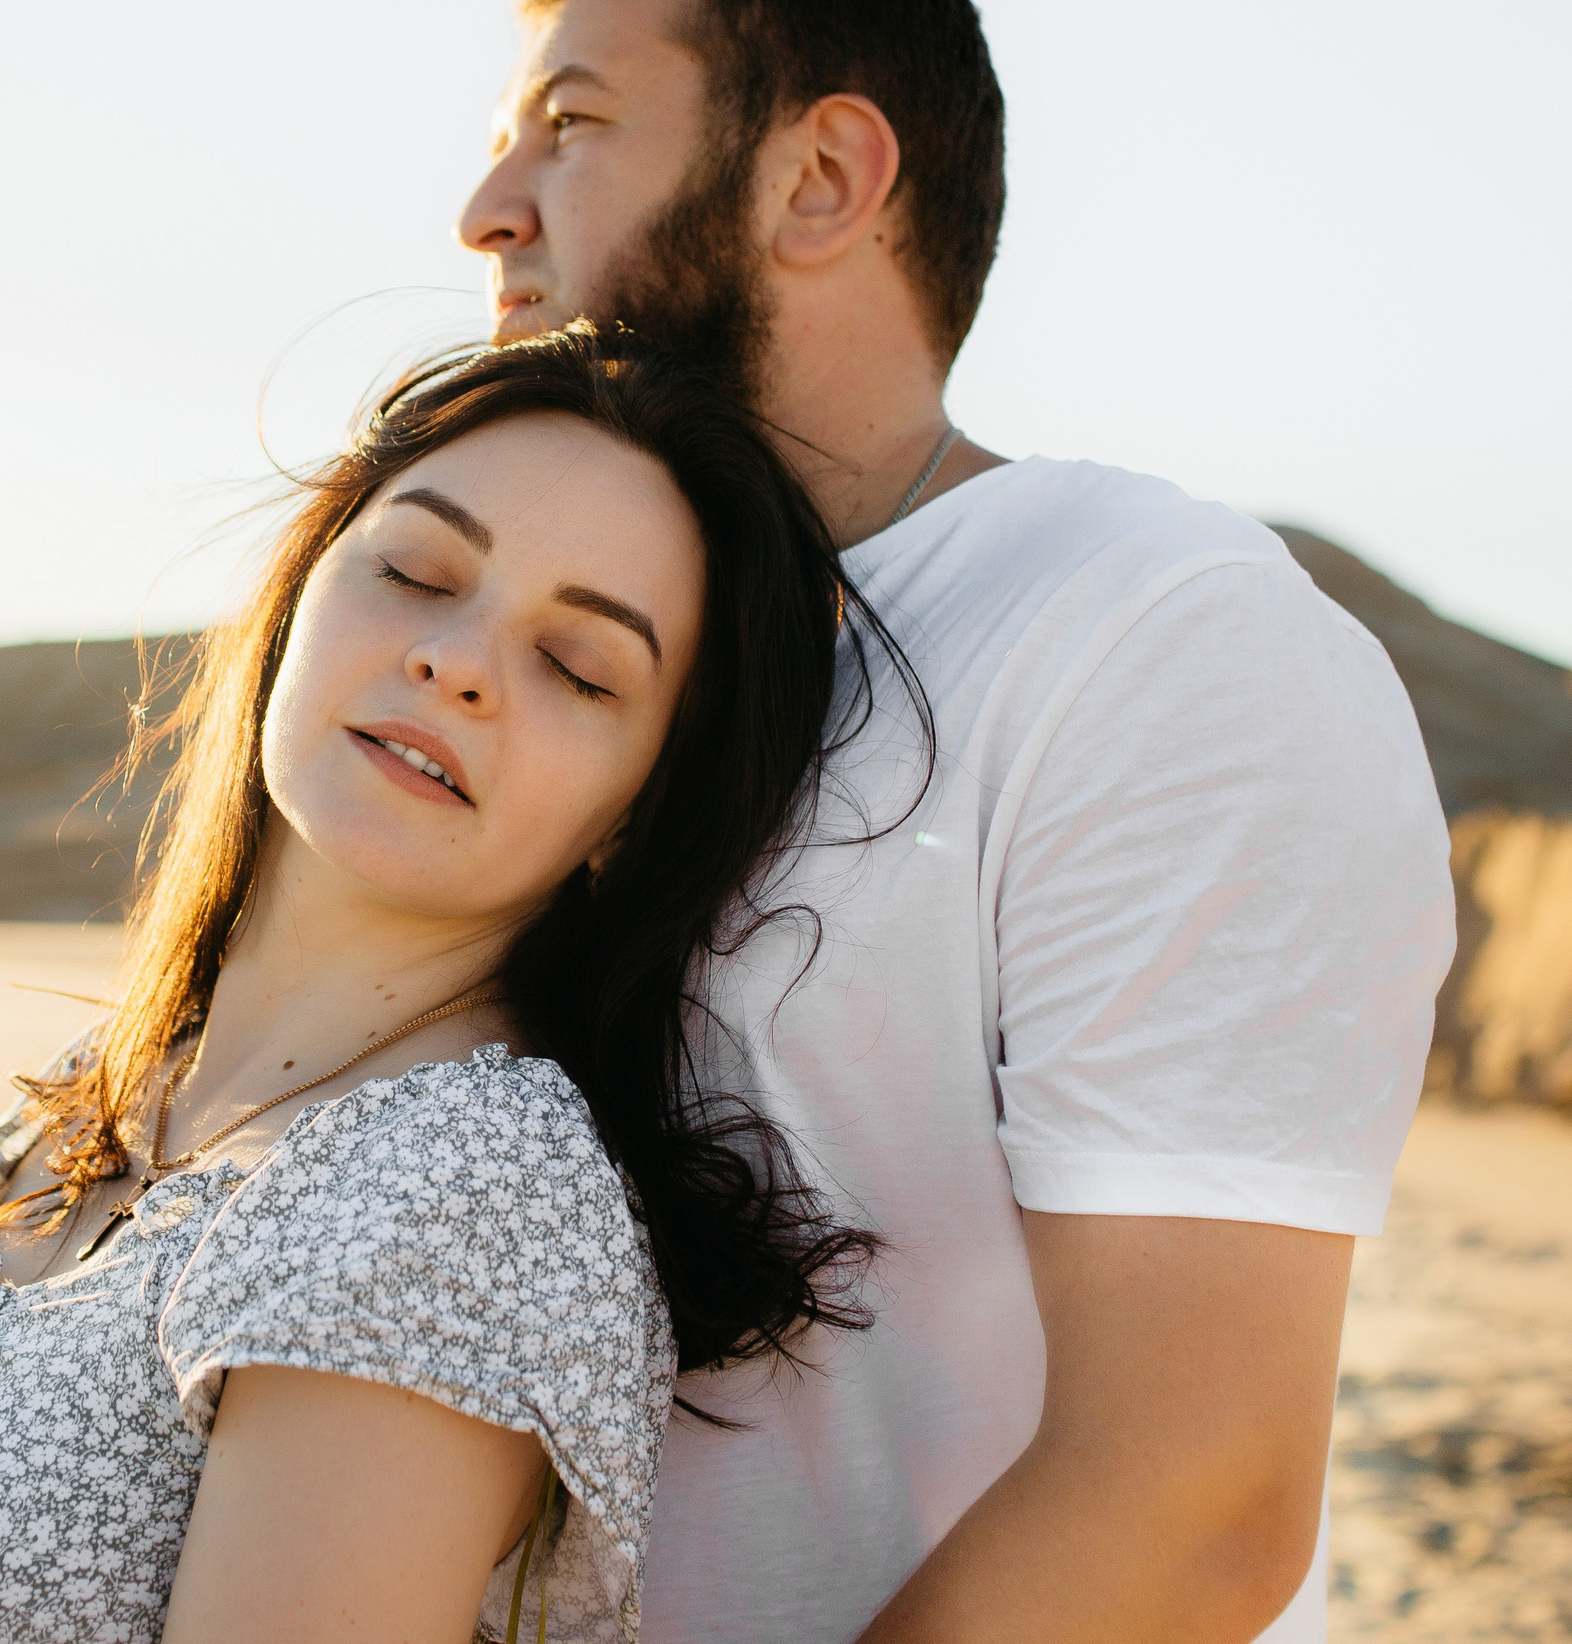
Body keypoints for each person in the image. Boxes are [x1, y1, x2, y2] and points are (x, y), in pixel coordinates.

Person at [453, 3, 1455, 1642]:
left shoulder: (1148, 634)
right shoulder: (578, 679)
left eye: (569, 122)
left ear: (823, 178)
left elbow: (1191, 1497)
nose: (488, 206)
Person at [0, 328, 901, 1643]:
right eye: (419, 573)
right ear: (304, 589)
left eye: (580, 668)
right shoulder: (101, 1098)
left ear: (637, 811)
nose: (460, 662)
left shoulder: (459, 1185)